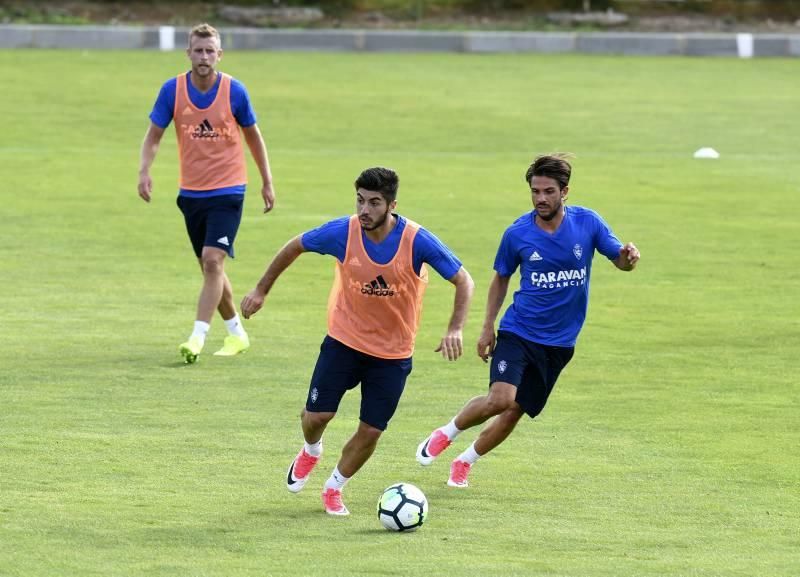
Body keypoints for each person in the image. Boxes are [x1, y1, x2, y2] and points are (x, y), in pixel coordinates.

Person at [241, 167, 474, 516]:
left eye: (374, 203)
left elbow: (463, 280)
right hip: (343, 341)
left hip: (393, 355)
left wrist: (455, 328)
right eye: (361, 201)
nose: (365, 210)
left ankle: (334, 487)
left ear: (392, 205)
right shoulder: (343, 232)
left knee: (370, 431)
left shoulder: (416, 240)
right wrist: (261, 289)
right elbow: (295, 246)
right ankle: (311, 450)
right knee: (317, 415)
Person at [415, 154, 640, 488]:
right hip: (519, 330)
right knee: (500, 399)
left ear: (565, 192)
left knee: (515, 410)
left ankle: (466, 461)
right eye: (535, 191)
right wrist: (488, 325)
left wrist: (628, 259)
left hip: (561, 343)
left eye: (548, 191)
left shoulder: (588, 223)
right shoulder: (517, 233)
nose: (541, 199)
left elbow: (620, 260)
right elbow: (501, 278)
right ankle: (447, 433)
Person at [137, 23, 276, 364]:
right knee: (210, 267)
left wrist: (266, 180)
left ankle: (197, 336)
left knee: (213, 260)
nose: (204, 57)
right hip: (191, 193)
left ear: (219, 54)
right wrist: (144, 170)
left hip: (229, 189)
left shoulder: (234, 91)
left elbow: (253, 136)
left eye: (210, 50)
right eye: (198, 50)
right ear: (188, 53)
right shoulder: (173, 91)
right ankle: (236, 334)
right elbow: (154, 135)